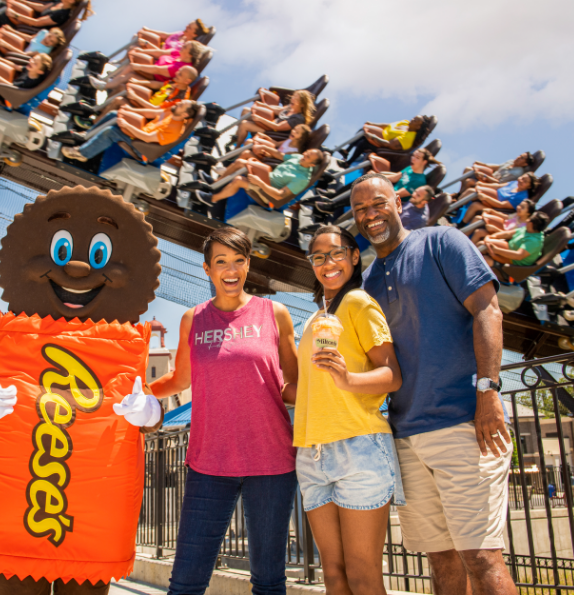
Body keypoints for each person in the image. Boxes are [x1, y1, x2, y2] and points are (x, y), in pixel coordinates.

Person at [349, 173, 517, 595]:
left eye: (378, 204)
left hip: (465, 424)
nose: (370, 216)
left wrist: (489, 392)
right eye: (360, 210)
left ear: (398, 201)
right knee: (441, 562)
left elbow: (488, 311)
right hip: (407, 436)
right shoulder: (367, 283)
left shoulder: (442, 241)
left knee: (482, 557)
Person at [147, 228, 299, 595]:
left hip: (272, 462)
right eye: (221, 262)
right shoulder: (192, 319)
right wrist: (133, 394)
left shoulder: (275, 314)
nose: (230, 270)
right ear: (207, 269)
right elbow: (178, 380)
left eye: (238, 261)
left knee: (268, 582)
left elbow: (294, 387)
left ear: (248, 265)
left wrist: (333, 381)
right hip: (208, 464)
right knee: (185, 583)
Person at [295, 225, 404, 595]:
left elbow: (392, 375)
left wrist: (348, 380)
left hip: (359, 447)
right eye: (319, 257)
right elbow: (308, 389)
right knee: (334, 575)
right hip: (312, 452)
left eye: (337, 253)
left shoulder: (359, 302)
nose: (328, 263)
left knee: (362, 575)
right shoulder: (314, 318)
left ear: (355, 257)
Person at [61, 100, 200, 162]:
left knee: (111, 131)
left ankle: (82, 153)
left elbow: (146, 138)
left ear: (185, 115)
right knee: (114, 114)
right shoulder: (172, 111)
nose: (177, 103)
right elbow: (151, 113)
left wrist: (126, 125)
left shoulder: (174, 131)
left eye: (181, 105)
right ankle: (86, 136)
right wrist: (130, 110)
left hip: (142, 146)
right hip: (139, 132)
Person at [192, 148, 324, 206]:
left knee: (238, 181)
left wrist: (260, 183)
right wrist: (264, 146)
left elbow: (279, 195)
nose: (303, 156)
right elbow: (280, 156)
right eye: (306, 153)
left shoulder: (302, 179)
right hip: (265, 176)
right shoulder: (298, 158)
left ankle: (212, 199)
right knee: (240, 162)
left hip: (267, 191)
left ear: (311, 164)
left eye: (307, 157)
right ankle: (215, 183)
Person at [87, 41, 208, 91]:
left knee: (131, 69)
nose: (182, 47)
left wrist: (137, 66)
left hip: (154, 77)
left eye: (185, 47)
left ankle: (104, 84)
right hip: (153, 66)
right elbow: (159, 53)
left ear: (190, 55)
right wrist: (144, 47)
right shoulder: (178, 53)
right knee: (135, 50)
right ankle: (112, 79)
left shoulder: (182, 67)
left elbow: (157, 70)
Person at [232, 90, 316, 146]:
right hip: (270, 123)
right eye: (293, 97)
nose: (293, 99)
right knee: (245, 111)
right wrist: (264, 105)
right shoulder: (291, 107)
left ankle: (236, 150)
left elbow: (278, 127)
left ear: (302, 105)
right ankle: (236, 139)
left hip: (273, 132)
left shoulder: (298, 118)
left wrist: (259, 118)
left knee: (244, 125)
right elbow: (278, 111)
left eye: (296, 99)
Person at [460, 172, 540, 224]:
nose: (521, 181)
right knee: (471, 190)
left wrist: (486, 197)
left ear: (529, 186)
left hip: (495, 205)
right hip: (490, 197)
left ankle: (460, 225)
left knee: (474, 202)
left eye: (525, 181)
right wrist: (482, 185)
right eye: (522, 178)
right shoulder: (515, 183)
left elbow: (501, 205)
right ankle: (455, 208)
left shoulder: (522, 197)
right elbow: (498, 186)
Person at [482, 212, 549, 267]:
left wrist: (496, 250)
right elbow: (508, 234)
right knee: (483, 241)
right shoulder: (528, 229)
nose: (527, 220)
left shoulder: (534, 242)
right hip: (510, 247)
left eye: (529, 219)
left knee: (484, 246)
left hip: (514, 262)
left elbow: (518, 256)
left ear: (531, 224)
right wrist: (494, 236)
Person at [236, 124, 311, 166]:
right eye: (294, 129)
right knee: (250, 141)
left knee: (248, 145)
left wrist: (265, 150)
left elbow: (279, 158)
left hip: (270, 160)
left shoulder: (294, 152)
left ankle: (234, 164)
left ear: (301, 138)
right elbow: (276, 144)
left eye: (297, 133)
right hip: (271, 153)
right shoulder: (290, 140)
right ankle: (234, 161)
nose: (293, 132)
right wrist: (265, 136)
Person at [458, 152, 532, 194]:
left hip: (493, 184)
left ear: (525, 164)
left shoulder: (517, 173)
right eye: (520, 155)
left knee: (469, 182)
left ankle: (458, 203)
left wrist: (484, 176)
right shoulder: (511, 161)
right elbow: (498, 167)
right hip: (490, 176)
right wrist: (483, 164)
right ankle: (459, 194)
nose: (518, 157)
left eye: (522, 158)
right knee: (468, 169)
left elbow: (500, 183)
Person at [469, 199, 536, 245]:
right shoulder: (517, 215)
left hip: (502, 236)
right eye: (519, 205)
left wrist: (495, 229)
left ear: (528, 213)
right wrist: (492, 211)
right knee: (478, 221)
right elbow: (505, 217)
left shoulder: (524, 226)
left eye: (522, 207)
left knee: (479, 232)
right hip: (500, 228)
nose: (519, 207)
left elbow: (509, 236)